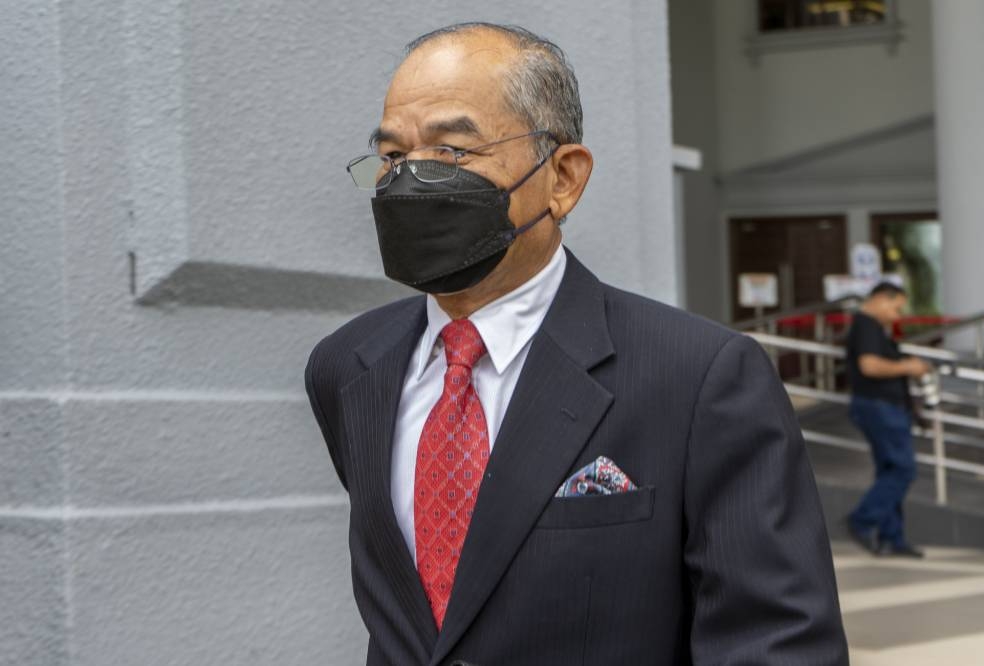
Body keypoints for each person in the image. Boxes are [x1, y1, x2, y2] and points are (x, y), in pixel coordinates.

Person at [305, 22, 847, 665]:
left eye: (452, 151)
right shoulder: (347, 367)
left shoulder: (700, 376)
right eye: (394, 157)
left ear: (563, 177)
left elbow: (776, 644)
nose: (411, 180)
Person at [845, 281, 930, 558]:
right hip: (879, 407)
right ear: (882, 299)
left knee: (890, 470)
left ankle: (892, 537)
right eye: (896, 308)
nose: (898, 315)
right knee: (903, 470)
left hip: (884, 407)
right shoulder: (867, 325)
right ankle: (863, 519)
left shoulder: (871, 328)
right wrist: (909, 366)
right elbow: (869, 366)